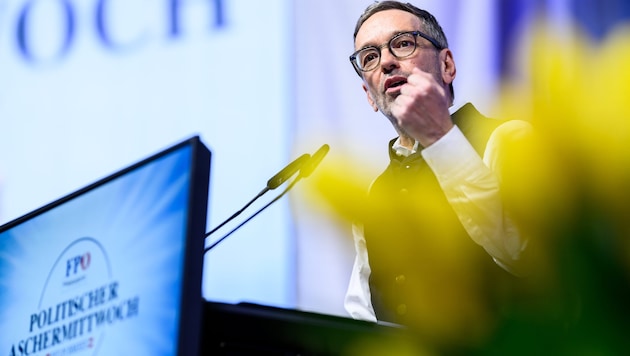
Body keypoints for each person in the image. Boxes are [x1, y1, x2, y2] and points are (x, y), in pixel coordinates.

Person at [344, 0, 531, 345]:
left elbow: (527, 259)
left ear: (446, 65)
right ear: (369, 96)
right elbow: (363, 312)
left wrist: (441, 139)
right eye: (369, 57)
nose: (385, 62)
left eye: (403, 43)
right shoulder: (374, 192)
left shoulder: (508, 139)